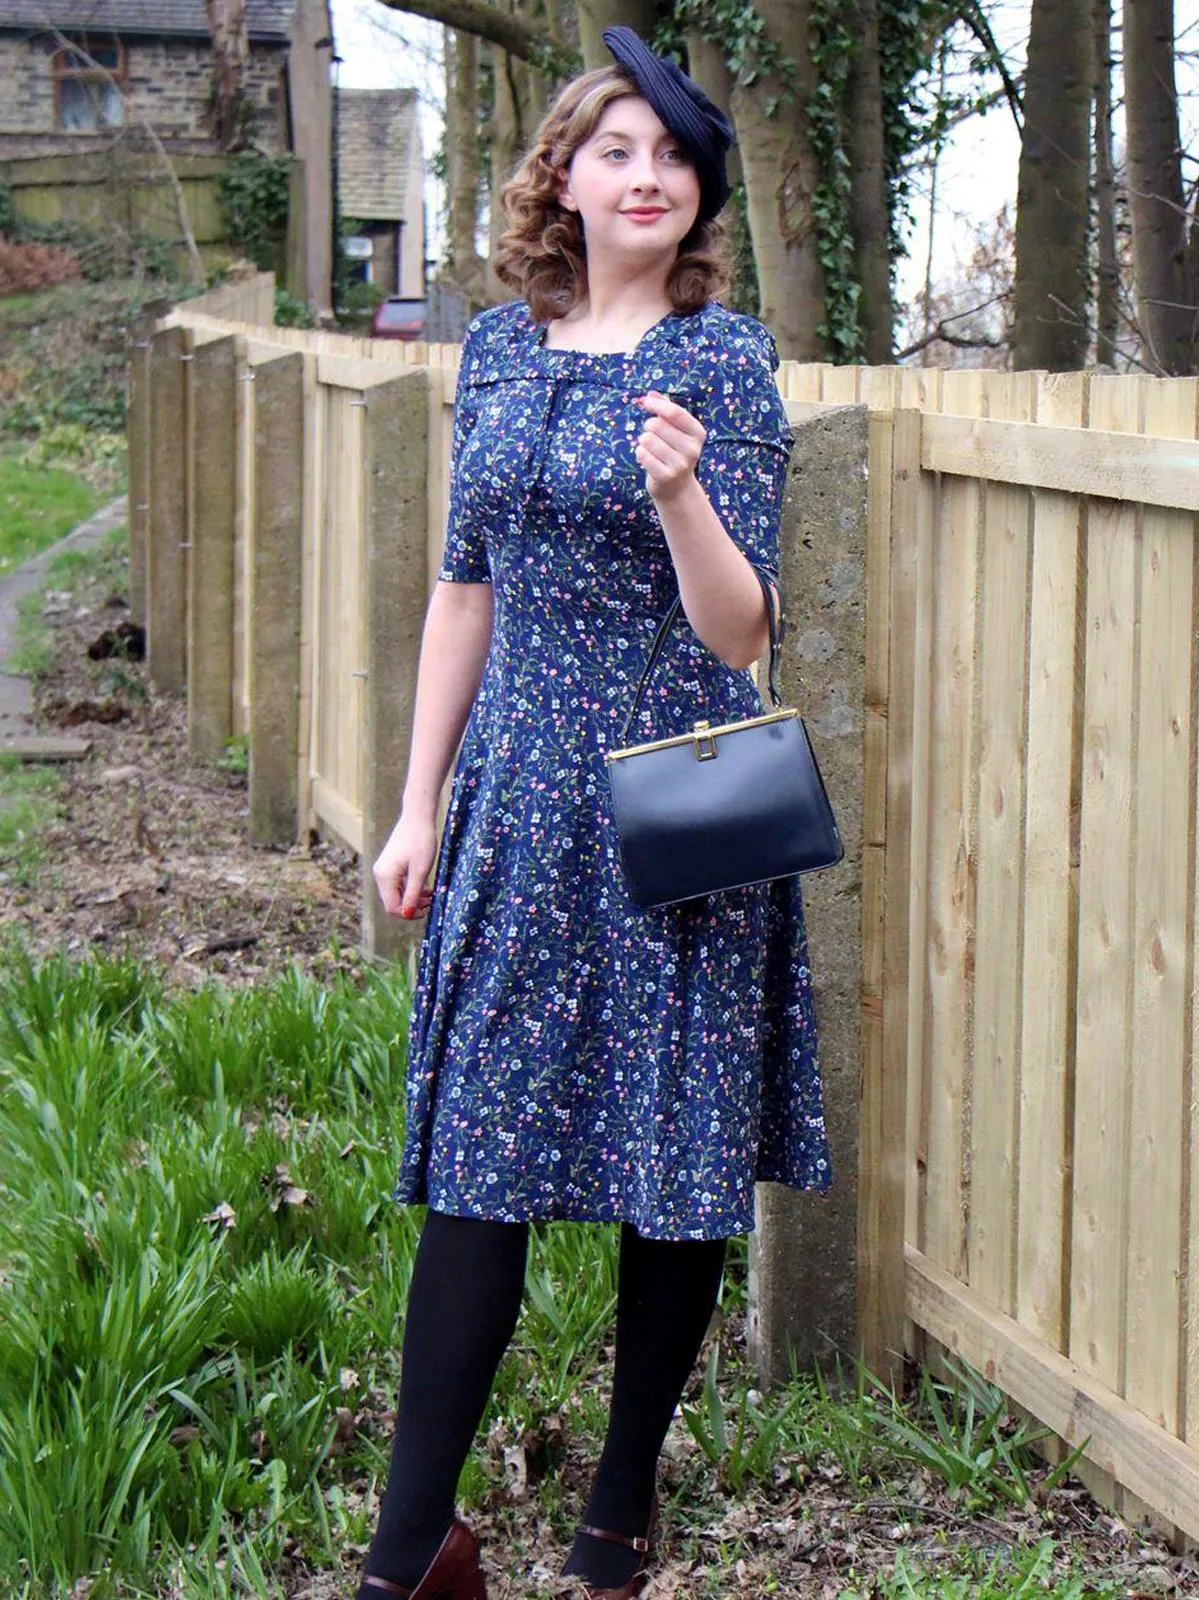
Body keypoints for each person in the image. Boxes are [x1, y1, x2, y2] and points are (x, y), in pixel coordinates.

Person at [362, 27, 831, 1600]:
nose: (645, 177)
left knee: (669, 1155)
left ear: (698, 199)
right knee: (477, 1166)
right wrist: (416, 804)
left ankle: (618, 1513)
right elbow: (461, 591)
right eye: (615, 149)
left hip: (675, 816)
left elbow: (741, 632)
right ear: (561, 171)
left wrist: (685, 495)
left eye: (673, 160)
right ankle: (405, 1550)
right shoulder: (497, 351)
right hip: (515, 804)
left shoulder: (719, 362)